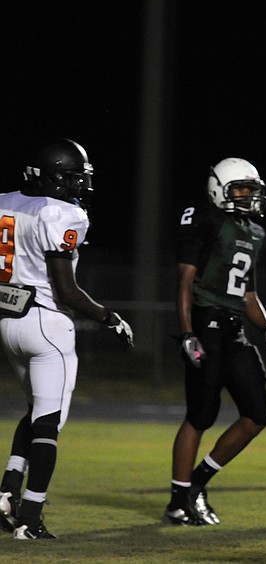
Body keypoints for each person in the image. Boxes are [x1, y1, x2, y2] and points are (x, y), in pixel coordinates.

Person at [0, 137, 134, 540]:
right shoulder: (61, 213)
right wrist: (109, 318)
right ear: (54, 179)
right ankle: (31, 516)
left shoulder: (5, 200)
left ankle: (7, 493)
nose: (79, 187)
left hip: (8, 320)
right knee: (49, 421)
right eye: (73, 179)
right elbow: (66, 289)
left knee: (37, 410)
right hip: (45, 323)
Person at [164, 157, 266, 527]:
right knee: (200, 415)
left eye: (251, 190)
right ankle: (177, 500)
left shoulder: (255, 233)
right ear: (219, 190)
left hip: (234, 331)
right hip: (205, 324)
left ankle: (198, 483)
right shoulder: (205, 219)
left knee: (258, 414)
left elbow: (248, 294)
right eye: (240, 190)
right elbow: (185, 281)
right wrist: (187, 332)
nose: (248, 197)